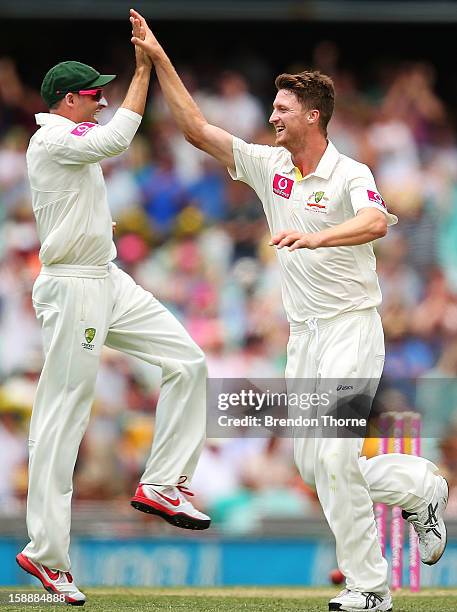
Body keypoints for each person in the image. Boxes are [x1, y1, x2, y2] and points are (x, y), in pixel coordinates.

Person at [129, 9, 449, 612]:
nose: (271, 116)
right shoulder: (270, 166)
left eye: (281, 108)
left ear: (313, 115)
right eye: (272, 107)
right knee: (317, 464)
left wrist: (317, 237)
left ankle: (370, 588)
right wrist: (157, 57)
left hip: (353, 328)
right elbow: (197, 128)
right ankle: (418, 484)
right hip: (304, 339)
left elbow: (377, 220)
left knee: (332, 454)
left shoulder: (350, 173)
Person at [16, 16, 210, 606]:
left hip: (106, 278)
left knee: (189, 361)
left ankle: (161, 484)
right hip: (73, 285)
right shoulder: (51, 137)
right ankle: (47, 556)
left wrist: (145, 68)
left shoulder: (70, 136)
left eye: (105, 91)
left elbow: (111, 137)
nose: (100, 102)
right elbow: (118, 138)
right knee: (64, 414)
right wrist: (146, 67)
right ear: (66, 100)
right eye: (93, 94)